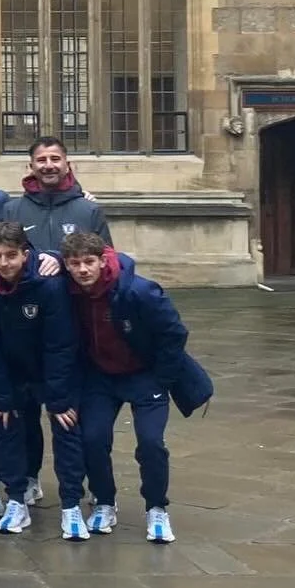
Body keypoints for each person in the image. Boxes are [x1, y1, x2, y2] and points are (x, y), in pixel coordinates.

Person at [61, 230, 212, 544]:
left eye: (89, 262)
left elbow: (174, 333)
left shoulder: (139, 291)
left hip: (144, 374)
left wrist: (162, 378)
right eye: (74, 263)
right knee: (93, 438)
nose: (82, 270)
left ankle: (157, 507)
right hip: (100, 375)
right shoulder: (68, 292)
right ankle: (104, 500)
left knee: (151, 442)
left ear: (103, 261)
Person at [0, 221, 87, 538]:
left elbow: (60, 343)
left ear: (25, 254)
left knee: (65, 425)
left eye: (11, 255)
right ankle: (17, 499)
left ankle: (71, 505)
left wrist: (59, 397)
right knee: (7, 423)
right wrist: (1, 394)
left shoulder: (49, 283)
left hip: (52, 367)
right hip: (11, 366)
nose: (4, 263)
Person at [0, 137, 112, 252]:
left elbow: (107, 260)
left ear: (67, 165)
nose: (49, 166)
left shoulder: (90, 211)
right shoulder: (11, 211)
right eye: (41, 160)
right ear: (31, 166)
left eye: (55, 159)